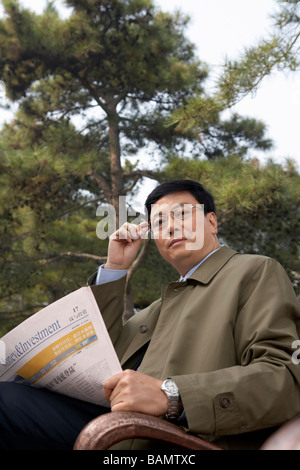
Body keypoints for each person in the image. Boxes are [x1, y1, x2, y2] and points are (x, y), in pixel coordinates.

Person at [0, 179, 300, 450]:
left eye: (182, 214)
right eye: (159, 221)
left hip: (181, 440)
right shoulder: (157, 309)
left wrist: (173, 396)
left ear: (212, 222)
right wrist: (115, 270)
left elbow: (284, 377)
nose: (170, 227)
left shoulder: (254, 270)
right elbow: (98, 358)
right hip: (113, 430)